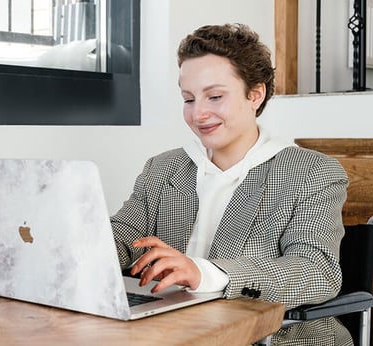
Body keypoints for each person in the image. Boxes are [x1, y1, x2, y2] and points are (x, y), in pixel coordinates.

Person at [110, 23, 353, 345]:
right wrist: (72, 245)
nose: (199, 114)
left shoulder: (312, 172)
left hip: (272, 338)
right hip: (171, 331)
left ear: (255, 94)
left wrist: (205, 273)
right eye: (188, 99)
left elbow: (315, 271)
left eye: (214, 96)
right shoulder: (164, 167)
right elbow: (125, 235)